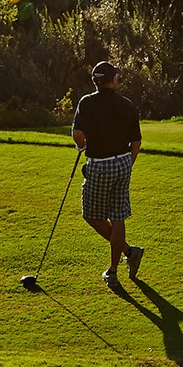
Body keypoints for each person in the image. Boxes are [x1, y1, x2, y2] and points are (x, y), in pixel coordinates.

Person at [73, 60, 144, 285]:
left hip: (99, 165)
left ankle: (127, 255)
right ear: (112, 80)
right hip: (123, 163)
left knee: (91, 215)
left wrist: (82, 146)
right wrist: (128, 164)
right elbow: (136, 142)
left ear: (96, 81)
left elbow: (77, 135)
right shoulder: (128, 104)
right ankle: (120, 262)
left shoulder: (87, 102)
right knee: (118, 216)